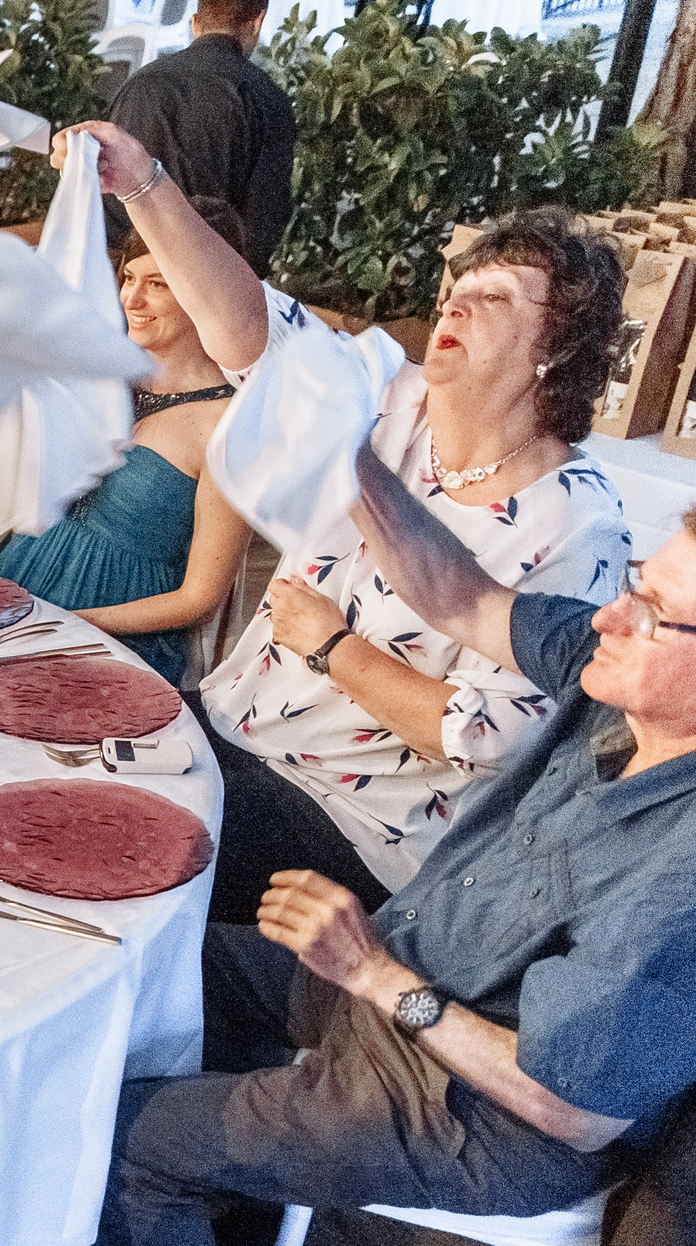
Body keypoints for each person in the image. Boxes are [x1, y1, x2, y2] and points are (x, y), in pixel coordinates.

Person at [36, 471, 696, 1246]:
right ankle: (221, 1194)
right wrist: (344, 454)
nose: (609, 619)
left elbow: (575, 1110)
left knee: (125, 1136)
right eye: (632, 584)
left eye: (654, 611)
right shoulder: (648, 687)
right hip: (417, 976)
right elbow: (463, 593)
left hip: (485, 1109)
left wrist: (378, 976)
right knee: (140, 967)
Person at [81, 119, 631, 923]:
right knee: (71, 768)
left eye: (496, 297)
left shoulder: (576, 520)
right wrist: (142, 183)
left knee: (121, 864)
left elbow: (498, 737)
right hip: (241, 724)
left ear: (559, 348)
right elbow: (250, 326)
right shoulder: (388, 397)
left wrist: (336, 650)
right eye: (460, 287)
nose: (459, 301)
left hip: (359, 818)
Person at [0, 40, 248, 686]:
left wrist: (79, 620)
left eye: (158, 282)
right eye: (130, 277)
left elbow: (200, 598)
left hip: (116, 638)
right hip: (29, 585)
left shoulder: (229, 424)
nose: (133, 295)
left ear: (204, 289)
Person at [105, 0, 294, 276]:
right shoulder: (268, 99)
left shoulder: (139, 84)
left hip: (135, 281)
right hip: (210, 286)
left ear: (195, 23)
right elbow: (264, 223)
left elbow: (108, 202)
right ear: (257, 22)